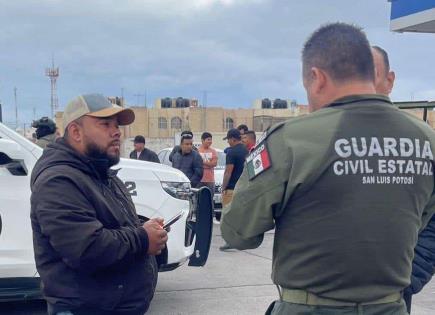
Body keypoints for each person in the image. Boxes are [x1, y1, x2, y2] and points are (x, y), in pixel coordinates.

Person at [220, 23, 435, 315]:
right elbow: (424, 218)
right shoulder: (426, 139)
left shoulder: (292, 140)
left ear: (317, 77)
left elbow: (238, 232)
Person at [30, 94, 168, 315]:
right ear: (76, 132)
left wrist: (150, 232)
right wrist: (143, 238)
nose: (116, 132)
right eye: (105, 124)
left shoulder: (103, 175)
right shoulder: (59, 181)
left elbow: (118, 227)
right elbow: (86, 248)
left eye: (117, 125)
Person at [372, 45, 435, 314]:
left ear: (390, 80)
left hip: (391, 295)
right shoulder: (309, 143)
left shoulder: (422, 142)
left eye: (369, 73)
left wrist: (411, 275)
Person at [219, 128, 248, 251]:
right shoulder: (246, 150)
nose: (228, 142)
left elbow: (228, 171)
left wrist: (223, 187)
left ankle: (229, 241)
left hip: (231, 188)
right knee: (240, 215)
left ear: (232, 139)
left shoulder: (231, 152)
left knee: (227, 215)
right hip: (244, 187)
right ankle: (241, 240)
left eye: (228, 140)